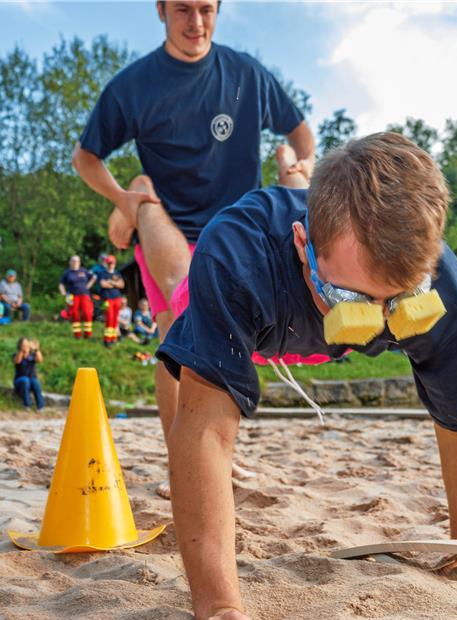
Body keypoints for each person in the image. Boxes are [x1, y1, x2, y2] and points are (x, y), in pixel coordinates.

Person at [153, 133, 457, 620]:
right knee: (172, 306)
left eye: (397, 299)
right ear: (304, 246)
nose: (379, 319)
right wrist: (218, 605)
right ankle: (145, 200)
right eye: (355, 300)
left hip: (311, 267)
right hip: (244, 305)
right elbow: (205, 429)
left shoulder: (437, 277)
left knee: (315, 198)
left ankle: (293, 171)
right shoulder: (238, 253)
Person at [72, 0, 316, 439]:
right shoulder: (135, 84)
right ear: (161, 10)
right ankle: (180, 454)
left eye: (206, 9)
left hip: (238, 231)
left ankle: (215, 453)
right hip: (168, 225)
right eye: (183, 9)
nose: (196, 23)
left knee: (227, 340)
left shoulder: (247, 75)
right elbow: (85, 157)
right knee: (180, 331)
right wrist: (124, 200)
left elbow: (300, 133)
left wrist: (298, 165)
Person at [58, 255, 96, 339]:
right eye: (73, 261)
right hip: (71, 296)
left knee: (87, 313)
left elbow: (93, 277)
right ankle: (77, 335)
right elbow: (61, 284)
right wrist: (63, 293)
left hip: (84, 295)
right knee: (74, 314)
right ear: (70, 262)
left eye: (77, 261)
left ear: (79, 262)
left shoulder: (84, 271)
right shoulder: (67, 273)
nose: (75, 263)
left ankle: (88, 334)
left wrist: (88, 286)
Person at [99, 255, 126, 346]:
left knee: (115, 319)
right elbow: (103, 284)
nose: (111, 265)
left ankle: (113, 338)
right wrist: (115, 284)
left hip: (117, 298)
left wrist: (111, 282)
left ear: (115, 263)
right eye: (109, 263)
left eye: (112, 263)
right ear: (107, 263)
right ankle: (107, 340)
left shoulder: (117, 273)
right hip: (107, 299)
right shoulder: (103, 273)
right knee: (109, 318)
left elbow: (122, 285)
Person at [13, 337, 45, 410]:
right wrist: (22, 351)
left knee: (36, 382)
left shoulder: (32, 355)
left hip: (31, 379)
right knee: (25, 380)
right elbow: (18, 361)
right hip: (19, 380)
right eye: (24, 345)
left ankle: (41, 406)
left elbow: (40, 360)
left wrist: (36, 349)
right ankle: (27, 405)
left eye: (27, 345)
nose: (26, 347)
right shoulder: (16, 354)